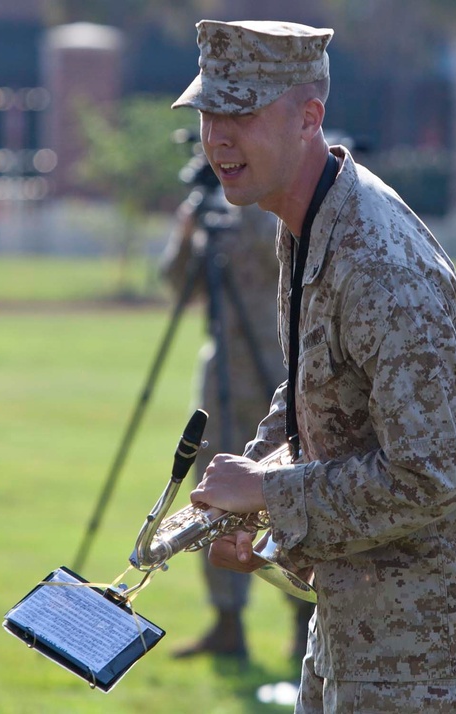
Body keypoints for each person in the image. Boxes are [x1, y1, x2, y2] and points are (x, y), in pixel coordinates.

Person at [172, 19, 456, 712]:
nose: (216, 137)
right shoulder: (308, 215)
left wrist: (271, 497)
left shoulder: (378, 265)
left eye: (241, 111)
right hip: (360, 603)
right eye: (208, 110)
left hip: (424, 632)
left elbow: (432, 474)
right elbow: (317, 382)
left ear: (310, 117)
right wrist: (250, 492)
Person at [159, 157, 312, 661]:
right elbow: (177, 280)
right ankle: (227, 623)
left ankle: (305, 625)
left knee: (294, 491)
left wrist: (240, 210)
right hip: (222, 374)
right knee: (213, 493)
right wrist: (190, 226)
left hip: (280, 373)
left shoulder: (271, 210)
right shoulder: (207, 217)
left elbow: (284, 259)